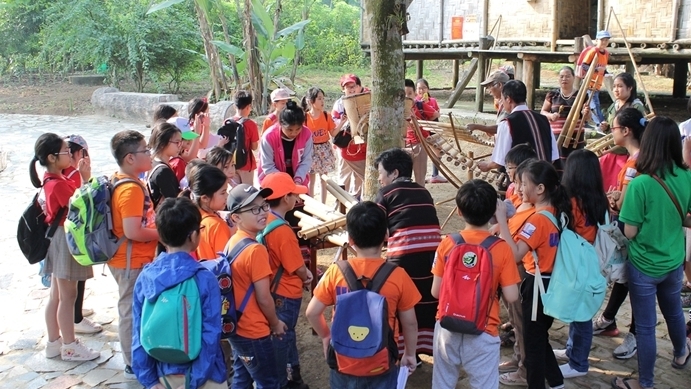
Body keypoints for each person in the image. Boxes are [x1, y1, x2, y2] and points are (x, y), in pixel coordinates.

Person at [612, 116, 691, 389]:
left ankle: (645, 383)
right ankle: (681, 353)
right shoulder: (686, 175)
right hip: (673, 260)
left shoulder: (641, 184)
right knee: (674, 313)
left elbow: (630, 232)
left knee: (645, 327)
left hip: (644, 264)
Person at [305, 201, 421, 388]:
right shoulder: (398, 276)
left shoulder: (336, 272)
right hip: (381, 362)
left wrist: (326, 336)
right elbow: (410, 322)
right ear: (386, 235)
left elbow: (311, 312)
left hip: (343, 362)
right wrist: (409, 353)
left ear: (350, 239)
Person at [431, 179, 520, 389]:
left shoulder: (447, 243)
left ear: (459, 212)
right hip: (484, 330)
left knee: (442, 383)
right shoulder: (501, 249)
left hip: (446, 328)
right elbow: (512, 296)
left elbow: (436, 291)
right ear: (492, 213)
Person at [131, 197, 227, 389]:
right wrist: (194, 380)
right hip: (205, 375)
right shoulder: (204, 278)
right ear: (193, 236)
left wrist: (149, 380)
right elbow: (211, 333)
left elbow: (137, 332)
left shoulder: (146, 277)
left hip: (162, 373)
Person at [499, 160, 572, 389]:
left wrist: (502, 220)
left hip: (537, 285)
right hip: (553, 282)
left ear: (540, 189)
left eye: (524, 184)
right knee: (539, 336)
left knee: (532, 342)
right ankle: (557, 381)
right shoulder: (557, 212)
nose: (519, 189)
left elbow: (516, 254)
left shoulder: (538, 220)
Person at [33, 133, 100, 362]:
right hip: (64, 239)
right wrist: (86, 178)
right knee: (68, 296)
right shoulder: (57, 185)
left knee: (56, 295)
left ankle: (54, 343)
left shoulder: (51, 180)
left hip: (56, 239)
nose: (69, 155)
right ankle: (70, 346)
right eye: (65, 152)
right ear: (52, 157)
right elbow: (81, 204)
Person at [374, 148, 441, 360]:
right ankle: (424, 349)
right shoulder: (424, 191)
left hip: (402, 258)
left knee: (402, 305)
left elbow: (379, 232)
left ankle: (404, 353)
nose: (379, 179)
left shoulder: (385, 194)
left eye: (381, 174)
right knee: (424, 302)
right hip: (432, 259)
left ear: (393, 173)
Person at [592, 108, 646, 361]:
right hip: (638, 231)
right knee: (624, 277)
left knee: (635, 282)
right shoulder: (642, 158)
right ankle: (608, 318)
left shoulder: (634, 163)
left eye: (613, 128)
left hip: (635, 233)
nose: (610, 132)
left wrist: (613, 199)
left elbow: (625, 204)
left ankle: (636, 334)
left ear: (625, 131)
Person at [553, 149, 609, 379]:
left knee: (582, 316)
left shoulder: (571, 202)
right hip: (592, 264)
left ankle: (579, 363)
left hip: (575, 265)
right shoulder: (600, 200)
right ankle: (571, 349)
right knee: (580, 310)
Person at [225, 183, 287, 388]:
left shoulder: (233, 241)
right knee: (269, 382)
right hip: (254, 331)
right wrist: (275, 323)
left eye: (264, 206)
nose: (262, 213)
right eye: (253, 209)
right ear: (236, 217)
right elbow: (264, 297)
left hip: (237, 327)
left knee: (242, 379)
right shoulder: (255, 251)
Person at [109, 130, 159, 378]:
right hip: (130, 261)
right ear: (130, 158)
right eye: (145, 150)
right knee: (129, 310)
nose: (149, 154)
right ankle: (132, 363)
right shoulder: (130, 189)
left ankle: (138, 357)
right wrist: (162, 234)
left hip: (133, 259)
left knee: (134, 309)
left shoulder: (127, 180)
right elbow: (132, 231)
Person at [260, 172, 314, 389]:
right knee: (284, 334)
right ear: (285, 198)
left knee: (284, 333)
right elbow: (296, 266)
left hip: (272, 286)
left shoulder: (265, 219)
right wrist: (307, 276)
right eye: (293, 194)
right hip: (286, 291)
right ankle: (285, 380)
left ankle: (292, 376)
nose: (296, 199)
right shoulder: (282, 230)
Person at [62, 134, 102, 335]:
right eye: (84, 152)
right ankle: (75, 317)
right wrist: (86, 179)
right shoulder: (72, 176)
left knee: (77, 279)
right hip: (74, 236)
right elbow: (82, 202)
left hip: (72, 235)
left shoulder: (68, 173)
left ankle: (75, 311)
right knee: (76, 278)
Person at [478, 80, 560, 174]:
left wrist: (487, 165)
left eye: (502, 99)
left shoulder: (507, 123)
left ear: (508, 99)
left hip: (522, 182)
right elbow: (553, 157)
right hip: (545, 179)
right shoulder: (544, 120)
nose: (503, 103)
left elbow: (499, 162)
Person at [540, 66, 591, 166]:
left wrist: (587, 112)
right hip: (556, 137)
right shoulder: (552, 95)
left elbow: (587, 117)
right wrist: (551, 115)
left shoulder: (581, 95)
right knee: (556, 164)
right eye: (561, 76)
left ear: (573, 78)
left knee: (574, 165)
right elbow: (543, 112)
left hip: (575, 138)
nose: (564, 79)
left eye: (567, 76)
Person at [258, 101, 313, 187]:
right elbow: (268, 166)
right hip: (274, 182)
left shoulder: (306, 134)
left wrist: (298, 180)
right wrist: (285, 182)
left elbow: (306, 161)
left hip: (298, 181)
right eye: (290, 130)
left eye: (298, 129)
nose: (294, 133)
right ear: (280, 124)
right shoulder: (268, 137)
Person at [183, 164, 231, 261]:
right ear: (205, 198)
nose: (227, 195)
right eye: (223, 192)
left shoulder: (189, 218)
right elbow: (225, 264)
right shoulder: (216, 226)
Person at [332, 73, 368, 198]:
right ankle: (341, 203)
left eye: (353, 86)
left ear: (359, 86)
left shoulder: (366, 100)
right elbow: (334, 124)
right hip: (344, 144)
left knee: (359, 178)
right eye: (347, 87)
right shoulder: (340, 104)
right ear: (343, 89)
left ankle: (356, 199)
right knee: (344, 176)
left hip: (362, 144)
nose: (351, 89)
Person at [302, 87, 337, 203]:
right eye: (319, 99)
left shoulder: (327, 116)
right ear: (311, 101)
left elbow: (333, 133)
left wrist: (342, 122)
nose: (322, 102)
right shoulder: (305, 118)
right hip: (310, 150)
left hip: (324, 149)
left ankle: (323, 205)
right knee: (311, 181)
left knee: (324, 179)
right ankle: (312, 206)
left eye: (323, 99)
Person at [577, 30, 611, 127]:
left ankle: (592, 123)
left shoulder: (606, 53)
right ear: (596, 40)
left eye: (606, 40)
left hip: (598, 83)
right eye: (602, 40)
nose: (604, 42)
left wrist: (606, 73)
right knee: (594, 104)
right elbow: (584, 65)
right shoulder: (593, 52)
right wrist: (596, 70)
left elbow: (603, 67)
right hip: (590, 83)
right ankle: (600, 124)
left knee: (591, 104)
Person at [403, 78, 434, 186]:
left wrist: (423, 123)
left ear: (414, 93)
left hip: (419, 144)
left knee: (420, 176)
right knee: (403, 177)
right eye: (404, 94)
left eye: (409, 93)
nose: (407, 96)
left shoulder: (419, 105)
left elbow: (435, 114)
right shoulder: (397, 108)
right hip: (403, 145)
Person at [415, 78, 446, 184]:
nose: (421, 91)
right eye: (419, 88)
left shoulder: (432, 100)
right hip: (423, 131)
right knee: (424, 154)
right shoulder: (416, 102)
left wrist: (430, 114)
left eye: (423, 88)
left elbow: (437, 113)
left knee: (438, 151)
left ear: (427, 89)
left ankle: (435, 174)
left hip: (433, 130)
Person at [147, 121, 183, 207]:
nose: (180, 146)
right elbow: (174, 204)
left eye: (181, 142)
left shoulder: (151, 162)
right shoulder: (163, 171)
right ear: (163, 143)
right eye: (177, 142)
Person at [467, 70, 511, 134]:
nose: (489, 91)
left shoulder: (509, 102)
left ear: (499, 85)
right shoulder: (502, 101)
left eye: (489, 86)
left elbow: (501, 128)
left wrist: (476, 127)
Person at [232, 91, 260, 186]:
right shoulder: (251, 124)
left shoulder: (227, 122)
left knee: (235, 192)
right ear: (248, 107)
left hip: (230, 164)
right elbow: (254, 147)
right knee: (247, 192)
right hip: (246, 163)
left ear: (234, 106)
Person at [167, 116, 202, 182]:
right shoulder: (178, 162)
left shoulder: (179, 154)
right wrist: (197, 134)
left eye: (189, 138)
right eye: (185, 139)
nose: (189, 141)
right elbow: (191, 157)